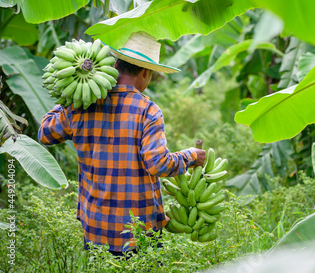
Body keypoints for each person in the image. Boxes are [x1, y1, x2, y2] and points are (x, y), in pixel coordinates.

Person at [38, 31, 206, 256]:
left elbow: (45, 134)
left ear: (115, 64)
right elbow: (158, 164)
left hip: (96, 229)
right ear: (146, 73)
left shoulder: (81, 106)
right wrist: (191, 156)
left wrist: (69, 96)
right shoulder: (148, 110)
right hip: (139, 232)